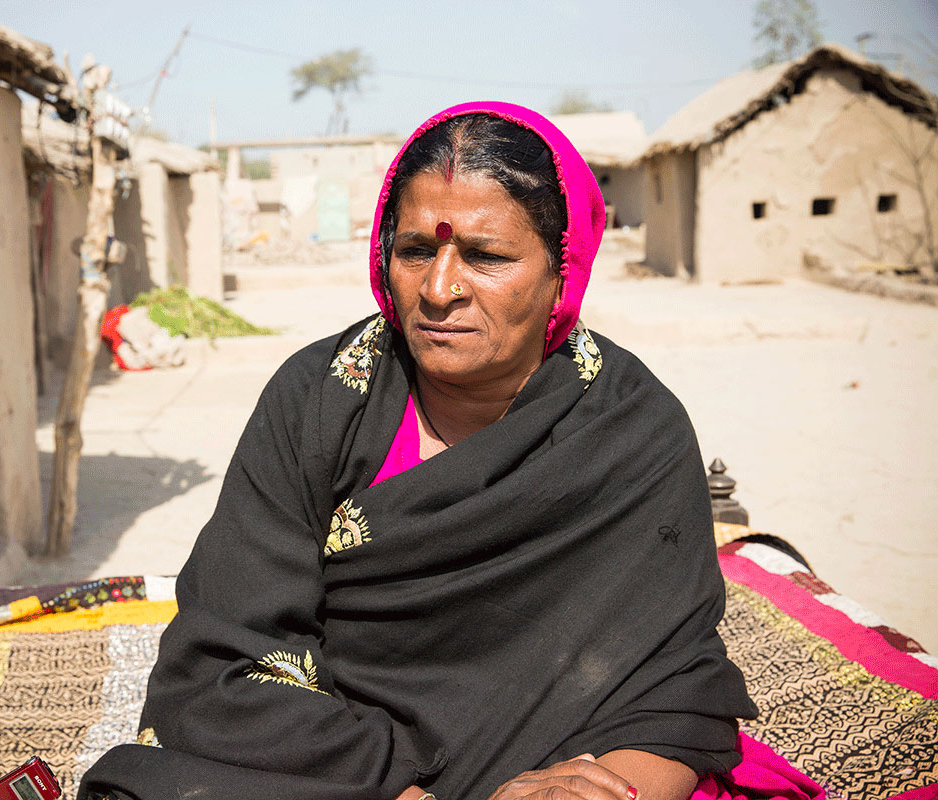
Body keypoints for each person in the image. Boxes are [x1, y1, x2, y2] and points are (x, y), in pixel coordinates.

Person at [79, 102, 757, 800]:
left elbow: (680, 682)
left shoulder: (634, 428)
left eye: (487, 256)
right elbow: (218, 661)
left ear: (565, 267)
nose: (439, 290)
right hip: (341, 769)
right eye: (415, 250)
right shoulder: (322, 397)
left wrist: (603, 786)